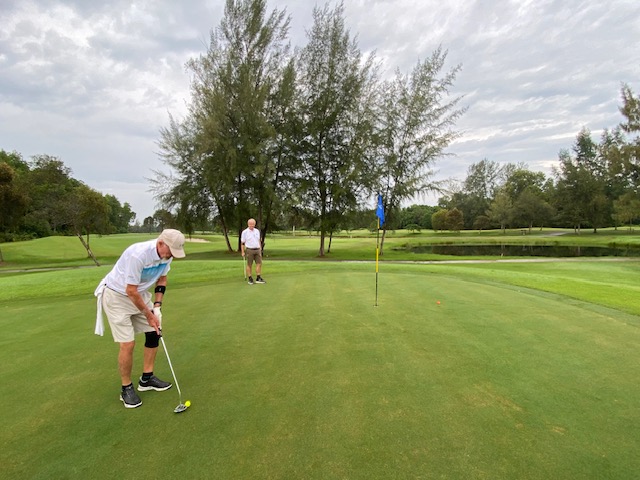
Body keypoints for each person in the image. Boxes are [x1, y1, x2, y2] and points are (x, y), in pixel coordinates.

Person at [94, 229, 186, 409]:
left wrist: (157, 307)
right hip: (117, 296)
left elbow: (162, 280)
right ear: (161, 243)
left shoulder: (167, 255)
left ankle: (147, 378)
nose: (172, 256)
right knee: (128, 343)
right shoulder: (138, 255)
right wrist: (149, 314)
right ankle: (126, 388)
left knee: (154, 332)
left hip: (139, 294)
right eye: (171, 251)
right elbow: (130, 290)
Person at [241, 218, 266, 285]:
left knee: (259, 263)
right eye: (250, 224)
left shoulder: (257, 231)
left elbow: (258, 240)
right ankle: (250, 278)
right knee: (249, 264)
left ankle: (258, 277)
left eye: (253, 224)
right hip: (249, 250)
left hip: (257, 249)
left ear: (255, 224)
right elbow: (242, 243)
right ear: (248, 224)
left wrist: (260, 248)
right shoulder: (245, 232)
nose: (252, 225)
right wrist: (242, 252)